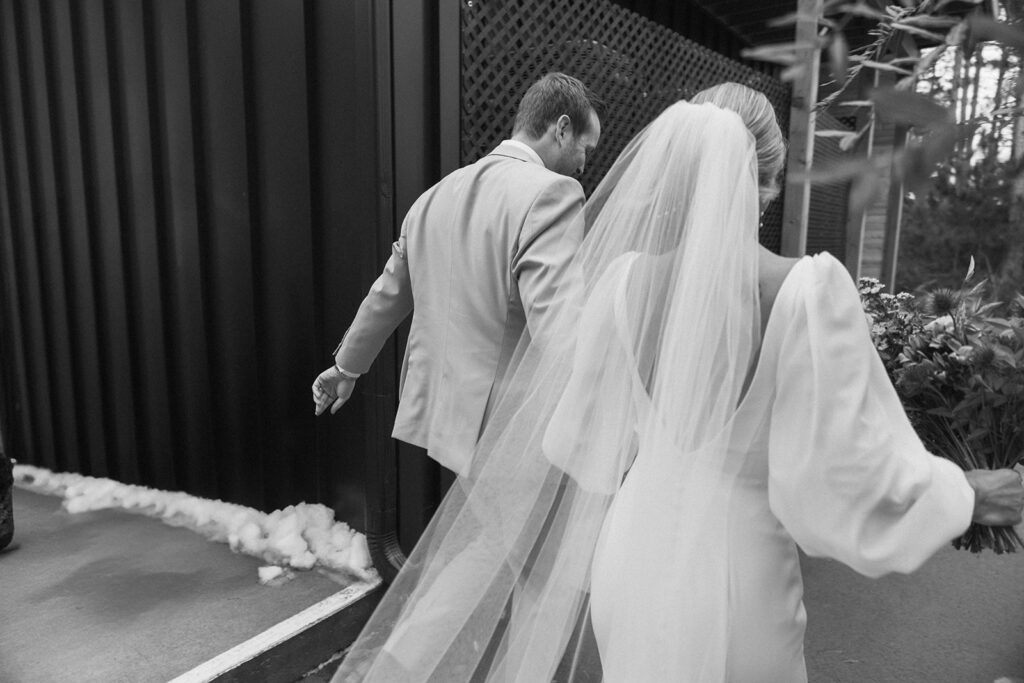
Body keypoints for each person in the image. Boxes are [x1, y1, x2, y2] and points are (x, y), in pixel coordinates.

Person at [334, 84, 1024, 682]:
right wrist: (966, 493)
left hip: (630, 558)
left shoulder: (621, 283)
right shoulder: (808, 290)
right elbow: (851, 479)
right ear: (769, 184)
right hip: (739, 578)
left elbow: (582, 444)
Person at [312, 73, 602, 477]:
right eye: (586, 148)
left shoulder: (433, 196)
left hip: (443, 420)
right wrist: (605, 402)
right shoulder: (554, 194)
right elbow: (558, 326)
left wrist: (346, 368)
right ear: (562, 129)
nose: (585, 164)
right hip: (510, 427)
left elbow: (387, 294)